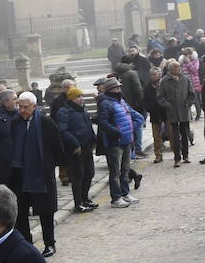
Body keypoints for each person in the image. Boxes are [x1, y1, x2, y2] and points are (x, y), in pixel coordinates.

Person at [6, 91, 65, 256]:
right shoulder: (15, 123)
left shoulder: (46, 123)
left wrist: (49, 165)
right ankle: (27, 246)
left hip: (41, 173)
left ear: (34, 107)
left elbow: (57, 147)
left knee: (45, 211)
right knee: (21, 212)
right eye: (20, 107)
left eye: (26, 107)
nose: (22, 110)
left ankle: (49, 244)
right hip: (20, 174)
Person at [95, 77, 137, 207]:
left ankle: (125, 194)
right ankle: (116, 197)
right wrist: (116, 132)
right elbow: (102, 122)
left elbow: (131, 115)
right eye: (116, 88)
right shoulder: (105, 103)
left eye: (119, 87)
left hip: (127, 140)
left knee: (125, 170)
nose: (119, 89)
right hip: (115, 143)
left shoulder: (121, 101)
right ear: (110, 90)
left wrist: (133, 127)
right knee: (115, 172)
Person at [55, 86, 98, 213]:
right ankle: (78, 203)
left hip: (87, 148)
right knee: (78, 176)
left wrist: (94, 140)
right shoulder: (64, 112)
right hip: (75, 150)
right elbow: (63, 130)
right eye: (78, 97)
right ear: (72, 99)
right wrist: (75, 144)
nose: (81, 99)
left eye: (81, 96)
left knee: (89, 174)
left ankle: (85, 198)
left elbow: (89, 128)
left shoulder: (82, 111)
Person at [159, 59, 195, 166]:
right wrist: (168, 105)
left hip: (184, 111)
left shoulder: (185, 79)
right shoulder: (164, 81)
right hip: (172, 112)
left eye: (179, 67)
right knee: (175, 135)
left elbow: (191, 94)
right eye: (176, 67)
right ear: (170, 69)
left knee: (185, 134)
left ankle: (186, 156)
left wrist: (188, 103)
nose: (178, 69)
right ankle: (177, 158)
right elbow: (160, 97)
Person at [143, 66, 167, 163]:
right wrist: (149, 108)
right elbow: (144, 100)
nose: (152, 76)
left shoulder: (164, 84)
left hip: (166, 112)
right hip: (154, 113)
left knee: (172, 133)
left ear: (160, 74)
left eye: (154, 74)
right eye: (151, 75)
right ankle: (158, 155)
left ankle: (176, 154)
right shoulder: (148, 86)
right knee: (156, 136)